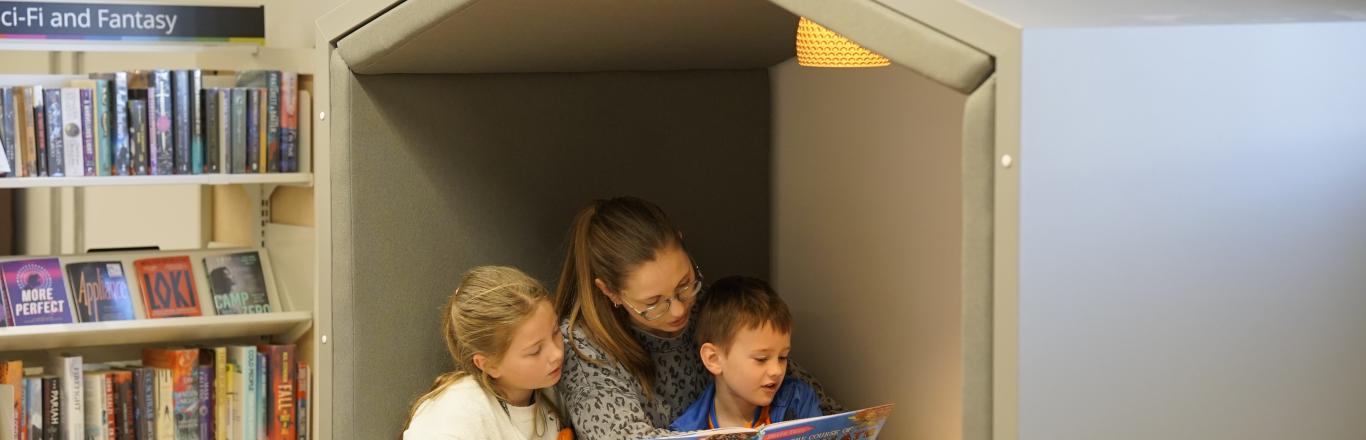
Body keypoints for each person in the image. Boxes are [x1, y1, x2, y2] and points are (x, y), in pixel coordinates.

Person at [554, 197, 841, 439]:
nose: (679, 310)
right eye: (654, 303)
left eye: (685, 284)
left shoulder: (704, 306)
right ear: (610, 292)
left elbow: (782, 373)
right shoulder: (584, 350)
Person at [402, 266, 573, 440]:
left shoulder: (552, 389)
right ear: (490, 365)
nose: (557, 353)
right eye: (535, 351)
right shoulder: (457, 412)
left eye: (555, 331)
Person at [668, 276, 821, 431]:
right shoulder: (688, 431)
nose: (777, 370)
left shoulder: (798, 400)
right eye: (761, 359)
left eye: (782, 357)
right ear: (714, 359)